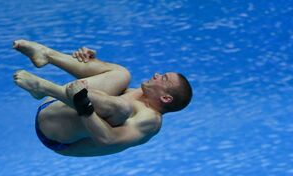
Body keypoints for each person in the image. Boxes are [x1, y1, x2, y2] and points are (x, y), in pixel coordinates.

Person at [13, 40, 193, 157]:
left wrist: (84, 104)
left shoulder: (150, 121)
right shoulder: (139, 94)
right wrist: (90, 62)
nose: (156, 74)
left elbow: (108, 140)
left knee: (121, 108)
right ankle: (46, 55)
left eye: (163, 78)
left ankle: (45, 88)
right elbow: (101, 93)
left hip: (54, 133)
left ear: (166, 98)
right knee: (122, 74)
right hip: (55, 106)